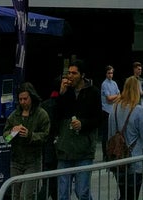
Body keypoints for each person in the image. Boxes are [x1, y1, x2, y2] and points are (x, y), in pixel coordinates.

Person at [50, 60, 101, 200]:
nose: (70, 76)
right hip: (65, 149)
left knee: (82, 191)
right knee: (63, 193)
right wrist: (61, 95)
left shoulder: (93, 92)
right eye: (69, 73)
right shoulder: (65, 92)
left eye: (74, 73)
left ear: (82, 75)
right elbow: (55, 117)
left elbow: (98, 119)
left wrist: (83, 124)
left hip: (84, 149)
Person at [107, 76, 143, 200]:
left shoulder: (114, 110)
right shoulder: (139, 111)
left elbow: (110, 137)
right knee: (133, 195)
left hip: (118, 160)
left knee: (123, 194)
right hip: (135, 160)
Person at [5, 82, 51, 200]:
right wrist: (12, 133)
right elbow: (6, 139)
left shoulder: (42, 115)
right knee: (15, 196)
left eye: (25, 99)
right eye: (20, 99)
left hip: (33, 161)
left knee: (26, 196)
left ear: (32, 97)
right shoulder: (13, 116)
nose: (22, 102)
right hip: (16, 161)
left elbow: (45, 136)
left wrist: (30, 135)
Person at [101, 64, 121, 158]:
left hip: (113, 110)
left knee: (113, 132)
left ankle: (112, 151)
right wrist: (116, 97)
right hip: (106, 111)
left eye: (112, 73)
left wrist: (115, 98)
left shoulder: (114, 83)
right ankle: (105, 154)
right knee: (105, 133)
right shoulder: (104, 84)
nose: (110, 75)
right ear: (106, 74)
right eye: (109, 73)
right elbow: (108, 98)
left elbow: (119, 95)